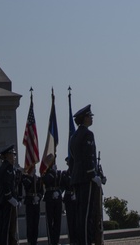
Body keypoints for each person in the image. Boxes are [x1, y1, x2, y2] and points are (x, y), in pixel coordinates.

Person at [69, 104, 103, 245]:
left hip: (77, 178)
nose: (91, 118)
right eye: (90, 116)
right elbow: (89, 156)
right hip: (86, 178)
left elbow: (72, 157)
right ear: (84, 119)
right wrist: (92, 174)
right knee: (87, 214)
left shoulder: (74, 135)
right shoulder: (88, 134)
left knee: (80, 213)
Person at [0, 145, 21, 245]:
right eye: (13, 154)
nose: (14, 156)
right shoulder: (7, 168)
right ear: (8, 155)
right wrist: (11, 198)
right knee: (8, 228)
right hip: (7, 203)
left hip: (5, 202)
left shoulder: (6, 168)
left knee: (6, 227)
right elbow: (6, 185)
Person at [41, 153, 68, 245]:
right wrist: (52, 172)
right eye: (51, 161)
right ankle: (51, 242)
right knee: (50, 221)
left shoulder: (59, 173)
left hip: (58, 198)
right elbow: (46, 181)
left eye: (54, 161)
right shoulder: (45, 173)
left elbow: (64, 184)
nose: (53, 162)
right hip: (49, 197)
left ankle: (56, 241)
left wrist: (60, 191)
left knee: (57, 221)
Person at [21, 162, 44, 245]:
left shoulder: (38, 179)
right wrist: (30, 177)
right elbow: (26, 185)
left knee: (36, 223)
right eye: (32, 168)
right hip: (29, 202)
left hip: (36, 203)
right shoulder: (26, 178)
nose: (34, 169)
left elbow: (41, 191)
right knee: (30, 223)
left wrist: (39, 197)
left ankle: (35, 240)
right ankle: (30, 241)